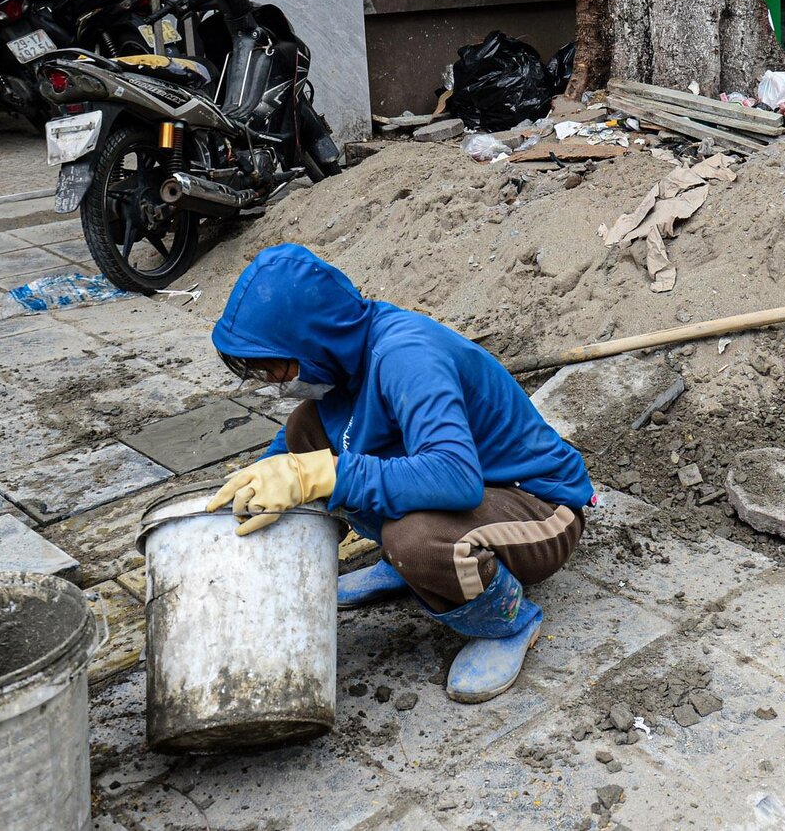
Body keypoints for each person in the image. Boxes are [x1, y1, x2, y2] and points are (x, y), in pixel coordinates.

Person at [204, 244, 594, 702]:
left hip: (539, 506)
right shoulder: (342, 363)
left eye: (275, 366)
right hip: (476, 488)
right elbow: (297, 454)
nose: (273, 380)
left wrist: (320, 475)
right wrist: (260, 482)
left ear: (315, 340)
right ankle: (406, 569)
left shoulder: (407, 355)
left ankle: (505, 623)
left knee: (415, 539)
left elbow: (455, 478)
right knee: (304, 433)